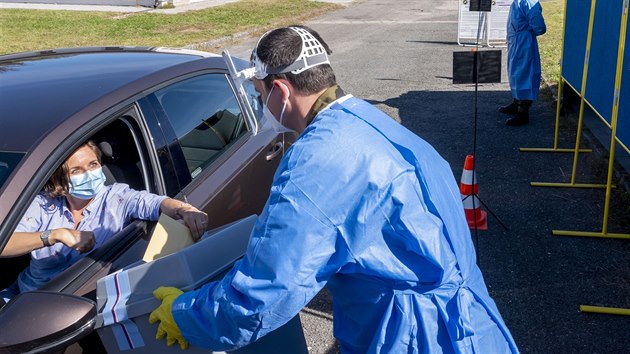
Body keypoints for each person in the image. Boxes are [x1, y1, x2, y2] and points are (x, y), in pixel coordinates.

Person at [150, 25, 518, 353]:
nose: (260, 105)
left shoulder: (318, 163)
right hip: (472, 325)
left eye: (258, 93)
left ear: (280, 90)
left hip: (411, 336)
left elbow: (265, 293)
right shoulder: (371, 122)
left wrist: (185, 315)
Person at [0, 140, 207, 301]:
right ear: (59, 179)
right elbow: (4, 244)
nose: (89, 174)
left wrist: (186, 209)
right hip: (26, 297)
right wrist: (56, 235)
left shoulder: (116, 198)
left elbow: (157, 203)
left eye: (93, 164)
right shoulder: (43, 204)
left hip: (78, 300)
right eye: (77, 171)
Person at [500, 0, 546, 126]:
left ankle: (523, 112)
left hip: (524, 43)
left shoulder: (529, 2)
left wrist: (526, 33)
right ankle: (516, 102)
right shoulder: (518, 1)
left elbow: (540, 26)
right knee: (515, 73)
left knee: (524, 74)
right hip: (516, 41)